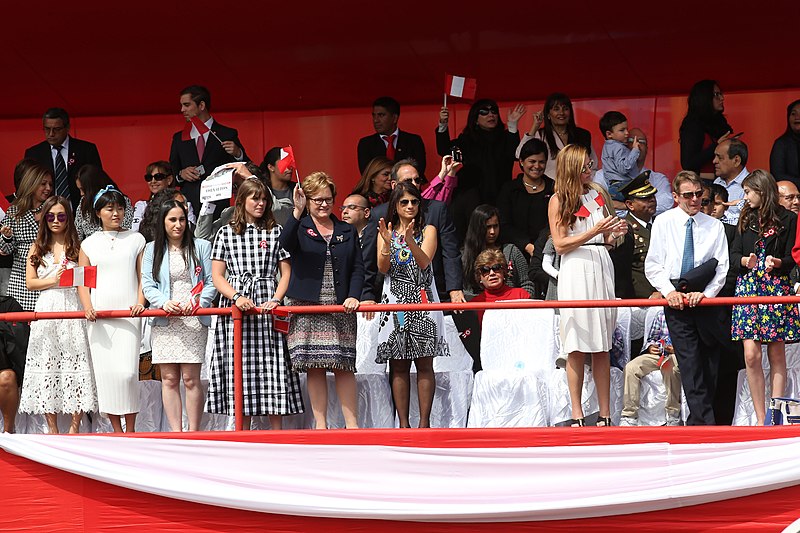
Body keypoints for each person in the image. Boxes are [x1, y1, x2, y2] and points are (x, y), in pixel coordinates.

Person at [548, 144, 627, 427]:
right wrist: (594, 232)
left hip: (601, 263)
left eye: (590, 163)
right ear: (571, 167)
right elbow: (559, 244)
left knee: (602, 344)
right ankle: (577, 412)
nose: (589, 168)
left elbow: (605, 237)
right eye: (583, 165)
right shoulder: (559, 200)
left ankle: (605, 413)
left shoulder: (596, 194)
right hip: (576, 268)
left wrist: (614, 234)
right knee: (577, 345)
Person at [645, 171, 730, 426]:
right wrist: (668, 292)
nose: (694, 200)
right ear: (675, 196)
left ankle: (699, 421)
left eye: (698, 195)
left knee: (709, 362)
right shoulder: (663, 222)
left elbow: (722, 267)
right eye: (688, 195)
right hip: (675, 295)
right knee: (690, 362)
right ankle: (704, 425)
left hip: (705, 297)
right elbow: (653, 264)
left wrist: (705, 294)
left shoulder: (714, 225)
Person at [280, 172, 363, 429]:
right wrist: (297, 211)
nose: (324, 204)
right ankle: (321, 424)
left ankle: (352, 425)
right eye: (317, 200)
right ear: (308, 200)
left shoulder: (346, 229)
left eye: (328, 199)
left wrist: (353, 296)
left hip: (340, 304)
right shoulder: (300, 226)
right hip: (307, 303)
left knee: (343, 363)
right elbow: (283, 243)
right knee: (314, 364)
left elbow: (358, 268)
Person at [18, 196, 97, 433]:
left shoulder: (79, 246)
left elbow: (87, 280)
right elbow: (30, 283)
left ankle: (75, 426)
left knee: (76, 362)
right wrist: (54, 279)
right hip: (47, 307)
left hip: (73, 305)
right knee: (46, 362)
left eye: (61, 216)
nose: (55, 220)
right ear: (44, 218)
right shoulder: (37, 246)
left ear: (68, 218)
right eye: (50, 216)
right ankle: (51, 427)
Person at [376, 181, 449, 428]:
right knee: (398, 364)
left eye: (414, 201)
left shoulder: (428, 229)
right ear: (395, 206)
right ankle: (404, 424)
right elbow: (382, 268)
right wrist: (387, 243)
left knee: (425, 363)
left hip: (423, 301)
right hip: (395, 302)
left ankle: (424, 424)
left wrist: (409, 241)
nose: (409, 206)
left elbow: (425, 262)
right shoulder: (385, 230)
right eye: (404, 202)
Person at [731, 170, 798, 426]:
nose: (745, 197)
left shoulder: (788, 219)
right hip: (748, 288)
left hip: (775, 289)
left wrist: (778, 262)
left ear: (761, 191)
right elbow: (733, 255)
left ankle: (775, 417)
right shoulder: (745, 218)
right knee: (751, 355)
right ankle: (760, 419)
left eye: (748, 192)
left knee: (777, 354)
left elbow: (793, 258)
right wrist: (745, 261)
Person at [142, 200, 216, 432]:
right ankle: (176, 432)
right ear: (163, 222)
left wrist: (199, 302)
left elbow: (212, 281)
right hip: (166, 319)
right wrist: (164, 303)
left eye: (182, 219)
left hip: (193, 318)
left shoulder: (201, 246)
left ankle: (193, 431)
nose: (178, 225)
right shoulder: (152, 249)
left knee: (191, 379)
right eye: (172, 220)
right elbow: (147, 284)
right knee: (170, 379)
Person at [77, 186, 146, 432]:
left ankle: (132, 428)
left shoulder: (136, 239)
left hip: (129, 315)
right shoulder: (88, 244)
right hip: (99, 318)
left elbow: (142, 277)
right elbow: (82, 281)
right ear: (98, 212)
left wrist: (140, 302)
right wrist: (88, 307)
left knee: (128, 373)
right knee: (107, 375)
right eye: (109, 208)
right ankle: (117, 430)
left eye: (119, 208)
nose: (115, 213)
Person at [361, 159, 465, 306]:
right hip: (392, 294)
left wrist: (454, 288)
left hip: (432, 292)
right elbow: (368, 258)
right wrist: (367, 294)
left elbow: (450, 251)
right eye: (408, 180)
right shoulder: (380, 213)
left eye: (417, 180)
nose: (414, 184)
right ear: (394, 185)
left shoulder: (436, 209)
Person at [436, 99, 524, 241]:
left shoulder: (504, 137)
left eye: (494, 111)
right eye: (484, 112)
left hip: (499, 194)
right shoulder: (466, 140)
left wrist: (513, 125)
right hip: (473, 197)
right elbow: (444, 150)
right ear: (475, 119)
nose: (491, 115)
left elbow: (514, 154)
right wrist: (443, 125)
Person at [170, 85, 248, 220]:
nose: (182, 110)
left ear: (201, 105)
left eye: (187, 105)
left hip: (219, 203)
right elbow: (172, 170)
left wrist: (237, 153)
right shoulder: (179, 138)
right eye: (182, 105)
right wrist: (181, 174)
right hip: (189, 204)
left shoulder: (226, 133)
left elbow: (247, 167)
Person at [23, 107, 102, 211]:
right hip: (45, 213)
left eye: (56, 129)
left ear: (67, 127)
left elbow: (97, 182)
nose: (51, 134)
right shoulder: (34, 153)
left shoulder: (86, 150)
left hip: (81, 212)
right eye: (47, 129)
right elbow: (27, 187)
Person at [0, 162, 54, 311]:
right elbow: (5, 249)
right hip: (22, 282)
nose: (48, 188)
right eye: (43, 184)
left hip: (49, 276)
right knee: (22, 330)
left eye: (50, 184)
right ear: (31, 183)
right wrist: (7, 237)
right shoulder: (14, 211)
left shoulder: (53, 208)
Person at [619, 307, 682, 427]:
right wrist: (650, 347)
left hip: (677, 355)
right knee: (632, 367)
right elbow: (652, 338)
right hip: (659, 355)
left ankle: (673, 413)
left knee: (668, 367)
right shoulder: (661, 314)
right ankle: (629, 415)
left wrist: (678, 349)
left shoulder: (689, 314)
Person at [497, 138, 556, 259]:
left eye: (541, 162)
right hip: (515, 252)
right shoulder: (509, 189)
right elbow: (503, 225)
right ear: (522, 161)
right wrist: (527, 246)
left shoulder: (554, 187)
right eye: (532, 161)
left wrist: (541, 247)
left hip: (548, 251)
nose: (537, 166)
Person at [461, 204, 534, 298]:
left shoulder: (511, 251)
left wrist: (517, 303)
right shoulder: (464, 256)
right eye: (487, 227)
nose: (492, 232)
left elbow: (527, 284)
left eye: (495, 226)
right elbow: (465, 291)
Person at [516, 93, 596, 179]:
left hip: (578, 186)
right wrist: (535, 127)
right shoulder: (541, 135)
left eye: (565, 109)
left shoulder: (583, 134)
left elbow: (593, 164)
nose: (561, 113)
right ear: (548, 114)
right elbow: (519, 154)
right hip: (550, 188)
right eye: (556, 109)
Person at [679, 80, 735, 179]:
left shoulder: (719, 122)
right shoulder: (692, 125)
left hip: (724, 181)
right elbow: (688, 164)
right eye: (716, 95)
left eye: (721, 94)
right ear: (704, 98)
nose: (722, 98)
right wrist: (717, 145)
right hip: (703, 183)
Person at [357, 96, 426, 176]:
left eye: (381, 115)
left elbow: (418, 170)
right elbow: (367, 175)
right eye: (374, 115)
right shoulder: (365, 144)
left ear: (394, 118)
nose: (376, 120)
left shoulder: (414, 141)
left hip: (407, 187)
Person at [470, 248, 531, 324]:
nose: (492, 273)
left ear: (504, 272)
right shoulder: (474, 304)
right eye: (485, 270)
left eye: (496, 268)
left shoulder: (521, 295)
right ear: (479, 277)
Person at [74, 165, 134, 240]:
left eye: (84, 189)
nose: (81, 193)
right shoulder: (83, 202)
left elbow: (126, 228)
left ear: (93, 186)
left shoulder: (121, 200)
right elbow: (77, 233)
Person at [132, 161, 195, 231]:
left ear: (169, 179)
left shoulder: (185, 205)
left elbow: (190, 230)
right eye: (149, 177)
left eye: (158, 177)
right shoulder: (142, 205)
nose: (153, 181)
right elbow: (135, 231)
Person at [599, 111, 641, 201]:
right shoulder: (619, 147)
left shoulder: (606, 147)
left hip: (612, 187)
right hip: (624, 186)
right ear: (609, 134)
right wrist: (635, 150)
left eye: (627, 129)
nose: (627, 133)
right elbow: (624, 168)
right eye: (622, 130)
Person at [713, 139, 750, 224]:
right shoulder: (717, 182)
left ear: (736, 160)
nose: (714, 161)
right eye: (715, 157)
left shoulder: (752, 186)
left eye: (720, 157)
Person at [260, 147, 296, 224]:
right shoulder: (262, 190)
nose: (289, 168)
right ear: (271, 167)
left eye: (290, 164)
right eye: (284, 164)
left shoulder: (298, 189)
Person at [769, 99, 800, 186]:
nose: (797, 117)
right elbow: (777, 175)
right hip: (790, 195)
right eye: (793, 114)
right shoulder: (781, 144)